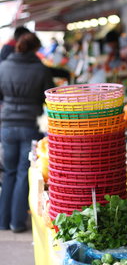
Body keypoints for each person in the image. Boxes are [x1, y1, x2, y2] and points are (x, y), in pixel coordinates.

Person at [0, 32, 54, 232]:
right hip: (28, 126)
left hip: (6, 126)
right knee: (24, 172)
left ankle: (3, 221)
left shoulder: (3, 67)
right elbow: (50, 97)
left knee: (9, 173)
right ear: (34, 49)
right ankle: (17, 222)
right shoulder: (40, 69)